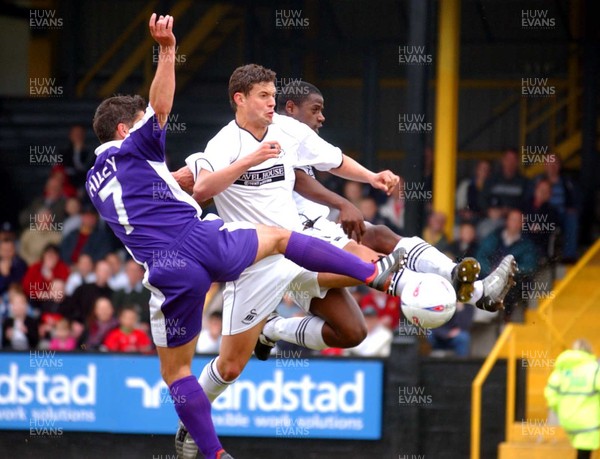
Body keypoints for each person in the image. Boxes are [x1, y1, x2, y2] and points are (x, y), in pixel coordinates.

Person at [86, 14, 403, 459]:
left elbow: (154, 190)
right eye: (137, 124)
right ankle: (381, 277)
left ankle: (214, 453)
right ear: (124, 130)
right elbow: (160, 108)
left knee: (177, 374)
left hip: (168, 271)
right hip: (202, 240)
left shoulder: (93, 180)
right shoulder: (138, 145)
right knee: (278, 237)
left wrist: (175, 176)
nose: (147, 127)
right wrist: (167, 50)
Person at [173, 74, 516, 457]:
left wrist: (371, 177)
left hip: (298, 246)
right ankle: (192, 420)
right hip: (252, 261)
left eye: (273, 94)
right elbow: (196, 186)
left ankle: (459, 287)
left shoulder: (288, 131)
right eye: (264, 96)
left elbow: (333, 160)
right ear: (240, 99)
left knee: (355, 325)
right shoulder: (222, 144)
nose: (271, 102)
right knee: (231, 366)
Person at [544, 339, 600, 459]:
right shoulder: (594, 369)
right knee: (584, 451)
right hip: (588, 421)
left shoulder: (563, 370)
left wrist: (559, 409)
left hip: (567, 419)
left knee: (582, 448)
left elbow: (550, 393)